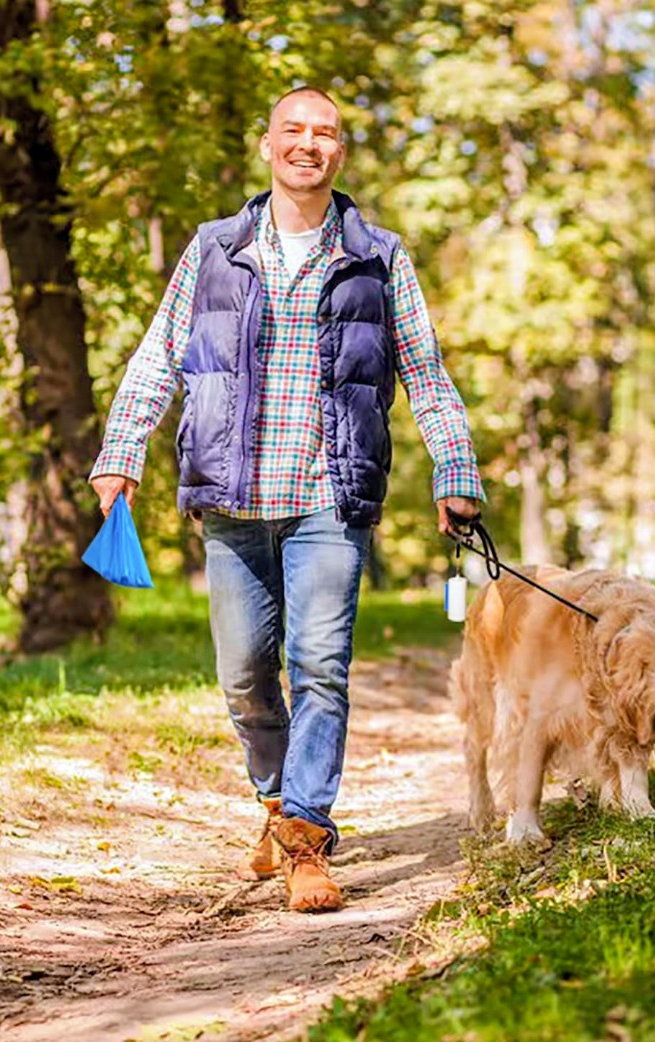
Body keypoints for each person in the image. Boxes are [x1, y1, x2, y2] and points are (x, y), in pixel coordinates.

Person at [90, 86, 484, 913]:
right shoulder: (215, 248)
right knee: (242, 678)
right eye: (294, 131)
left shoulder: (379, 256)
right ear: (267, 144)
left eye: (326, 135)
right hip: (232, 496)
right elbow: (158, 357)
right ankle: (274, 802)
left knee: (320, 668)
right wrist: (120, 453)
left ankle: (307, 835)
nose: (309, 145)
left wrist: (456, 471)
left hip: (329, 499)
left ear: (339, 153)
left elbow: (426, 374)